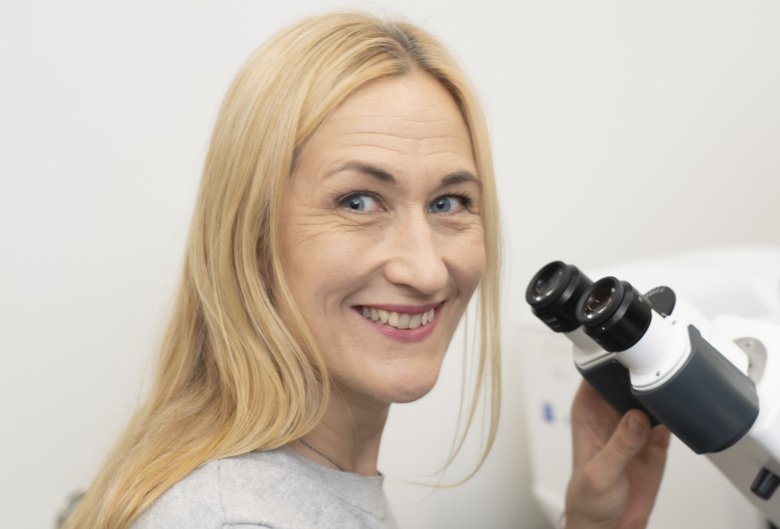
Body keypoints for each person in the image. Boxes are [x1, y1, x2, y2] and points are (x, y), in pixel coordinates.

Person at [61, 11, 670, 529]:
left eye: (448, 203)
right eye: (358, 202)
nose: (427, 270)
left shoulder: (301, 491)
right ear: (250, 235)